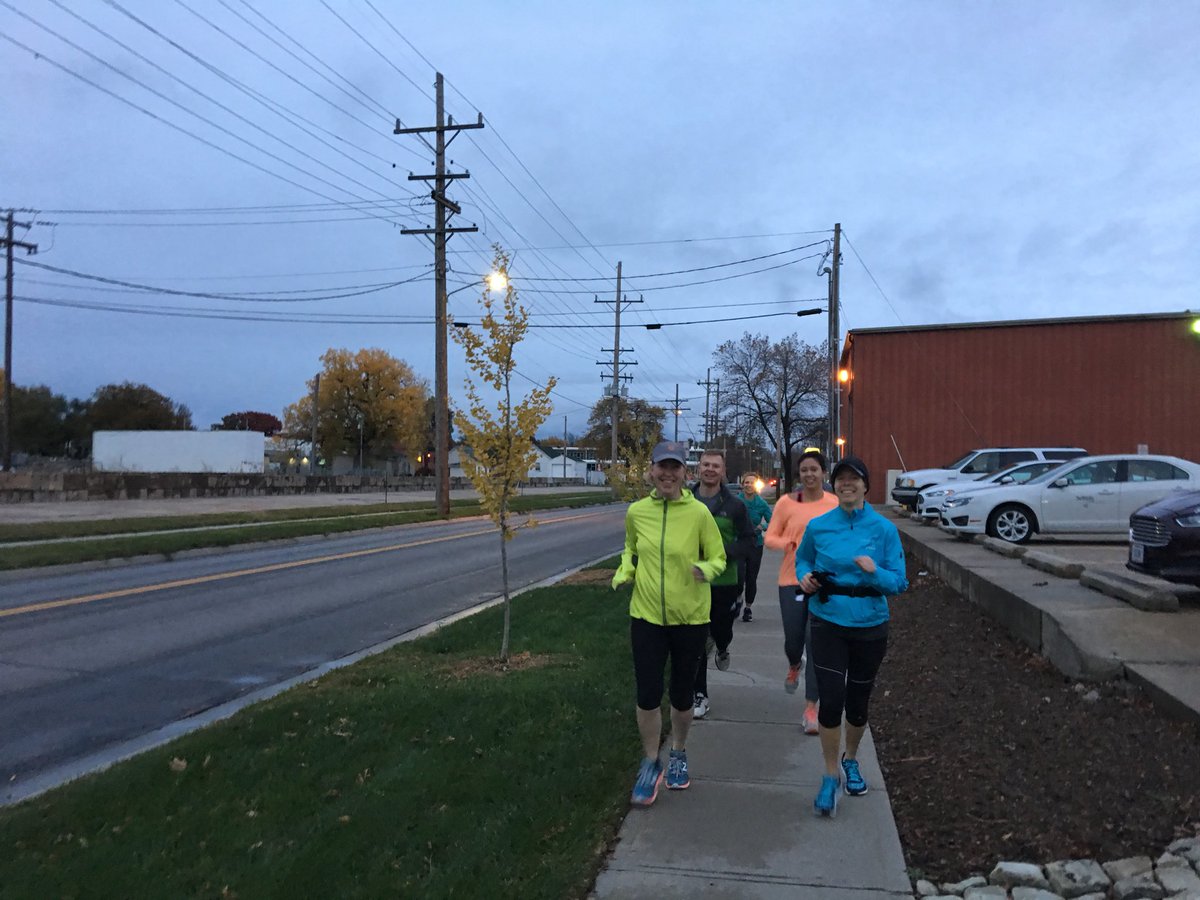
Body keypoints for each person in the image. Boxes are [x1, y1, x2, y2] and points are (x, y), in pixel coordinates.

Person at [612, 440, 727, 807]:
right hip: (645, 616)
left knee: (680, 696)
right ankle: (650, 762)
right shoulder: (636, 512)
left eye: (675, 467)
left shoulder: (698, 515)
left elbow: (719, 557)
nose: (667, 473)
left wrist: (704, 570)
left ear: (685, 473)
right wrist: (625, 570)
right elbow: (630, 550)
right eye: (662, 466)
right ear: (651, 471)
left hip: (690, 618)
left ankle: (678, 752)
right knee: (647, 695)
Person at [796, 455, 908, 817]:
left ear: (865, 486)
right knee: (830, 701)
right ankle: (830, 776)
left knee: (857, 704)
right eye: (841, 479)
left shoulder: (884, 530)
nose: (846, 485)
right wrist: (806, 577)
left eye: (854, 480)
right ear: (834, 484)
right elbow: (802, 559)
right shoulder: (819, 526)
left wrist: (875, 572)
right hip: (827, 620)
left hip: (870, 625)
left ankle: (851, 760)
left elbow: (899, 582)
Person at [764, 450, 838, 734]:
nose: (809, 475)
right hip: (791, 580)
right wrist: (789, 544)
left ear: (823, 473)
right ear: (799, 475)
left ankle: (810, 709)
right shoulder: (786, 503)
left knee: (815, 642)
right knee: (794, 640)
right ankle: (794, 663)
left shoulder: (834, 504)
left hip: (822, 583)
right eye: (804, 470)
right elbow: (769, 537)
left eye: (814, 470)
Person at [689, 449, 755, 720]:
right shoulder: (686, 500)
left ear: (723, 471)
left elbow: (748, 541)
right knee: (697, 639)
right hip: (693, 580)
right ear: (698, 469)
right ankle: (699, 694)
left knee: (720, 631)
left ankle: (724, 645)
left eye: (715, 466)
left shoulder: (735, 506)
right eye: (705, 464)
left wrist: (720, 552)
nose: (710, 469)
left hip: (725, 581)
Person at [736, 472, 772, 623]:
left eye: (751, 483)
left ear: (756, 486)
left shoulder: (761, 504)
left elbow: (774, 521)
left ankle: (748, 608)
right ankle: (738, 598)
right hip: (738, 543)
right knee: (739, 576)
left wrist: (763, 525)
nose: (748, 485)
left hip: (755, 544)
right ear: (742, 485)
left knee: (751, 578)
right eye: (746, 482)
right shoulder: (736, 501)